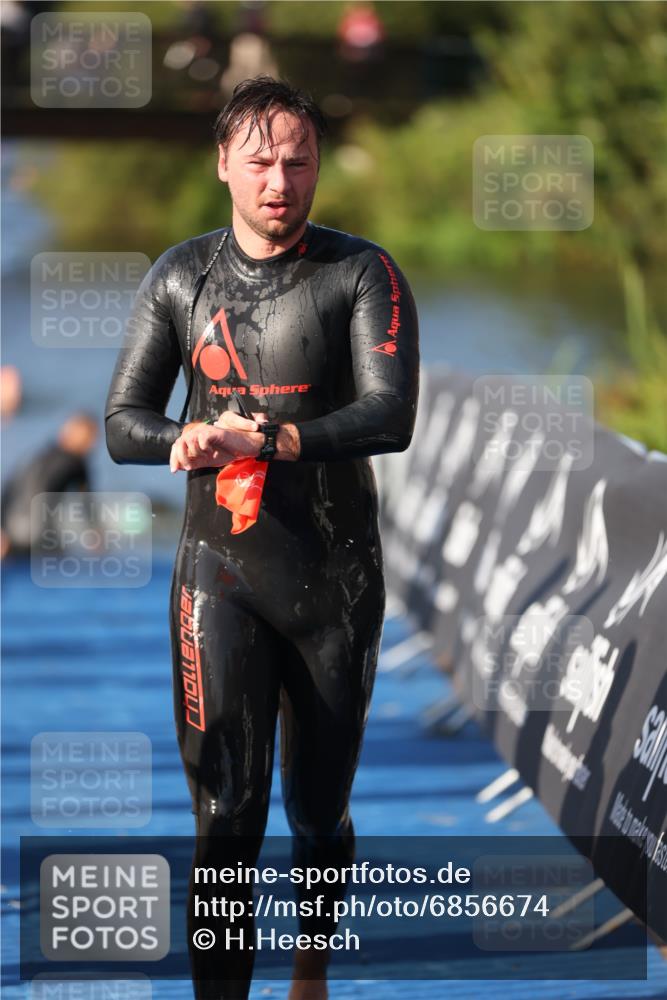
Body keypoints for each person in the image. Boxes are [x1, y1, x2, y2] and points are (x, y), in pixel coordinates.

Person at [105, 75, 419, 1000]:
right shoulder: (180, 276)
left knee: (316, 811)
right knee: (225, 814)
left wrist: (274, 438)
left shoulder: (362, 273)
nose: (279, 181)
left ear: (316, 165)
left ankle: (310, 972)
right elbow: (124, 420)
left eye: (297, 160)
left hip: (335, 580)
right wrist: (184, 439)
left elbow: (389, 415)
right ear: (222, 168)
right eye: (259, 163)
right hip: (219, 577)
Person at [1, 411, 97, 559]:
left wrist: (3, 530)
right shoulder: (77, 463)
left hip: (12, 531)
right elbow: (86, 505)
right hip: (39, 536)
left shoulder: (41, 455)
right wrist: (96, 536)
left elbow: (10, 487)